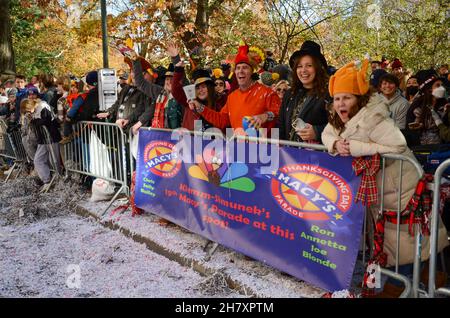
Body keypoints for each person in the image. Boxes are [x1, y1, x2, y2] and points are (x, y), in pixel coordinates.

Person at [321, 58, 448, 295]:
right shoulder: (340, 119)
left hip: (402, 188)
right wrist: (335, 143)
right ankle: (412, 278)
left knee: (405, 242)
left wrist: (356, 147)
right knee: (390, 242)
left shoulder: (374, 118)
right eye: (337, 98)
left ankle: (402, 285)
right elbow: (326, 134)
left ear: (358, 98)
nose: (341, 103)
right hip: (379, 190)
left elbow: (398, 146)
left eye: (346, 97)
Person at [191, 41, 281, 135]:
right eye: (238, 68)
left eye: (245, 67)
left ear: (252, 71)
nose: (240, 71)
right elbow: (221, 120)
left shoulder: (267, 93)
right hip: (239, 147)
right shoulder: (232, 97)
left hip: (263, 148)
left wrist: (266, 116)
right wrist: (199, 107)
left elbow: (279, 115)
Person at [278, 40, 330, 143]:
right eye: (299, 66)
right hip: (287, 154)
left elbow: (340, 126)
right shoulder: (290, 94)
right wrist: (276, 149)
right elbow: (280, 124)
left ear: (318, 68)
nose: (303, 70)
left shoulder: (328, 95)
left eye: (309, 66)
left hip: (314, 157)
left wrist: (317, 132)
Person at [20, 98, 62, 190]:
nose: (28, 113)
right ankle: (46, 180)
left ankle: (59, 180)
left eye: (27, 110)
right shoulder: (34, 111)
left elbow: (46, 121)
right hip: (42, 140)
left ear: (30, 106)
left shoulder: (43, 107)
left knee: (54, 161)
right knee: (38, 160)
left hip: (51, 138)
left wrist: (33, 121)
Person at [406, 69, 445, 146]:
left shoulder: (445, 104)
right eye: (437, 85)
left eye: (442, 85)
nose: (442, 88)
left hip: (444, 150)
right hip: (422, 149)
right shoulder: (417, 106)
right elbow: (410, 131)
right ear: (429, 88)